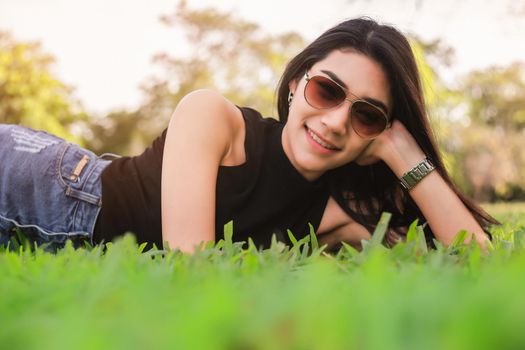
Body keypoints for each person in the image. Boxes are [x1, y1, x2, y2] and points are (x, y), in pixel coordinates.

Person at [0, 17, 497, 254]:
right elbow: (187, 264)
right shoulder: (212, 116)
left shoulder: (335, 216)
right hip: (43, 183)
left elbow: (473, 259)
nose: (336, 121)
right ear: (297, 82)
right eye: (327, 91)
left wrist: (402, 149)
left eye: (366, 115)